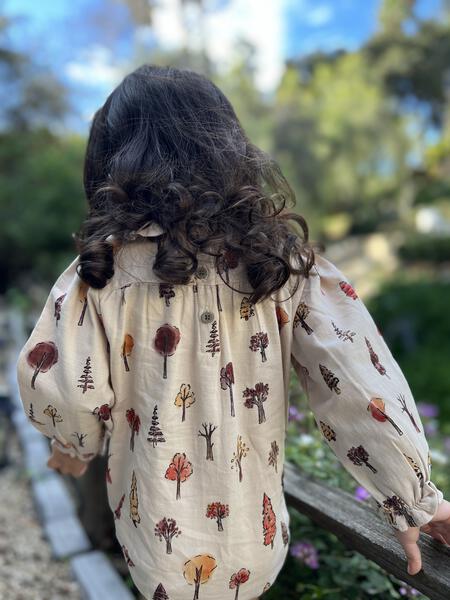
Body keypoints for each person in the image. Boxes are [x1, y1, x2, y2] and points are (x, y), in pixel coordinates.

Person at [15, 65, 449, 600]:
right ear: (227, 151)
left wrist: (72, 446)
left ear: (112, 160)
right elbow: (360, 386)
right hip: (258, 536)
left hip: (152, 535)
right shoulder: (283, 267)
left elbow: (68, 391)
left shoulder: (99, 277)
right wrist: (414, 500)